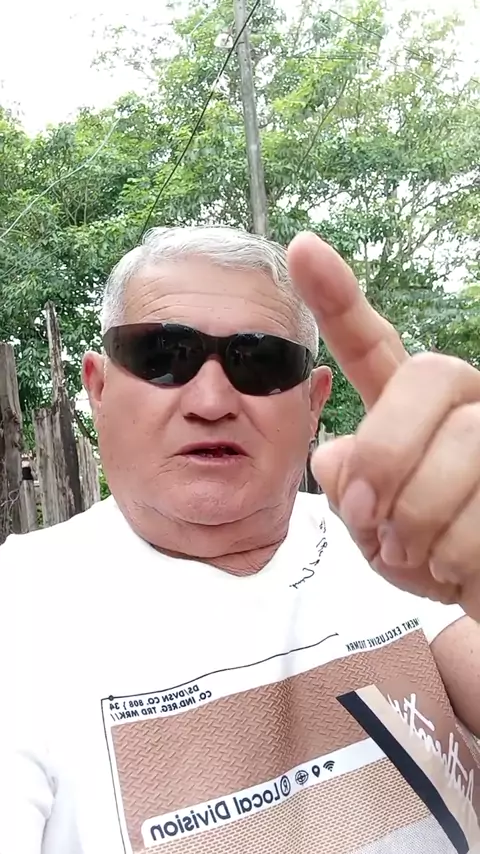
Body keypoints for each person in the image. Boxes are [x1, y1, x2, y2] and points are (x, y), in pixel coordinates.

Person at [1, 225, 479, 854]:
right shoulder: (21, 610)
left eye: (260, 361)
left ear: (314, 401)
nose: (210, 400)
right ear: (98, 388)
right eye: (162, 355)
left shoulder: (402, 550)